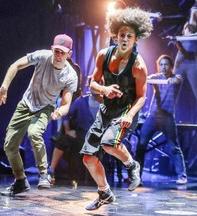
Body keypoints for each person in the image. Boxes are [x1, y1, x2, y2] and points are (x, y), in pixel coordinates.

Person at [79, 7, 153, 211]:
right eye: (122, 35)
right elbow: (91, 83)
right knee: (88, 157)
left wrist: (129, 115)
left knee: (109, 144)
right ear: (115, 35)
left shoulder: (138, 65)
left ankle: (132, 165)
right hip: (106, 110)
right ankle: (105, 193)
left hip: (125, 110)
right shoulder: (103, 55)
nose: (125, 38)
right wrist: (104, 89)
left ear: (136, 39)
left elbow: (141, 97)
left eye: (130, 36)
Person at [0, 34, 78, 195]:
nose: (58, 56)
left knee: (34, 132)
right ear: (52, 49)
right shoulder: (42, 56)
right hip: (26, 104)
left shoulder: (70, 75)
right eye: (56, 51)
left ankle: (44, 174)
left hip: (46, 107)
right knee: (9, 146)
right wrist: (4, 87)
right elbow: (15, 65)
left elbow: (66, 104)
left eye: (62, 53)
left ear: (69, 54)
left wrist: (60, 111)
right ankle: (20, 181)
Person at [135, 55, 187, 185]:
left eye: (166, 64)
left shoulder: (176, 77)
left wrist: (171, 81)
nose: (163, 67)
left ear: (171, 66)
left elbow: (177, 80)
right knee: (141, 145)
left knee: (174, 147)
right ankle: (136, 177)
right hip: (152, 117)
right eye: (161, 64)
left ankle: (182, 176)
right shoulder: (156, 77)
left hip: (168, 117)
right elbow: (145, 79)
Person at [50, 80, 103, 183]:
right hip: (82, 134)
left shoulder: (107, 102)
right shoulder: (82, 101)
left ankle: (97, 178)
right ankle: (51, 170)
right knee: (63, 140)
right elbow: (66, 115)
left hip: (98, 136)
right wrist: (68, 130)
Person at [172, 22, 197, 125]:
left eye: (190, 25)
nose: (188, 25)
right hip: (179, 65)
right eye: (186, 25)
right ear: (183, 29)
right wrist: (174, 39)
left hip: (191, 65)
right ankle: (168, 114)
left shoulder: (196, 35)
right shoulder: (180, 37)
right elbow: (178, 45)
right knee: (172, 90)